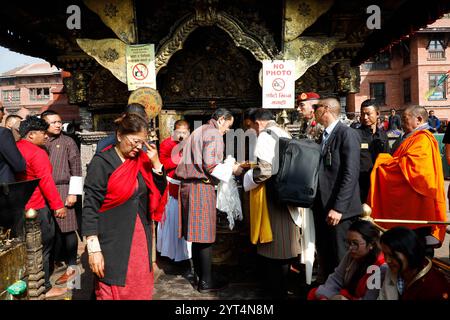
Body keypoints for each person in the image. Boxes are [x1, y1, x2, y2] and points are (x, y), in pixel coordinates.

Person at [82, 113, 167, 300]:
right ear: (119, 135)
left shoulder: (141, 161)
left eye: (142, 143)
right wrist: (93, 248)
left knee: (139, 285)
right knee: (112, 284)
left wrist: (156, 163)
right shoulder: (102, 163)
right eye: (135, 141)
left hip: (139, 236)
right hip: (111, 238)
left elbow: (157, 191)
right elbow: (90, 205)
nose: (138, 147)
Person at [175, 108, 243, 293]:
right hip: (200, 186)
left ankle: (200, 276)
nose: (227, 131)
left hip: (190, 186)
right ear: (221, 120)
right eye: (228, 126)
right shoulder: (213, 133)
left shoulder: (199, 131)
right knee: (204, 235)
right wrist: (233, 169)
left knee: (198, 235)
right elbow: (211, 166)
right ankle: (206, 282)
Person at [243, 109, 302, 298]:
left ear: (257, 123)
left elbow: (265, 171)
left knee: (275, 248)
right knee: (284, 245)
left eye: (250, 127)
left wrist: (245, 176)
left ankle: (276, 292)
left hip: (274, 199)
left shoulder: (265, 136)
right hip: (288, 195)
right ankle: (281, 288)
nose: (250, 132)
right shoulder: (283, 132)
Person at [368, 106, 447, 247]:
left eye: (405, 119)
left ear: (419, 119)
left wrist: (383, 161)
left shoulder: (423, 139)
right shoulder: (413, 137)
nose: (401, 124)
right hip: (412, 208)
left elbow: (415, 170)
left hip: (418, 208)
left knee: (417, 253)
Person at [16, 115, 67, 299]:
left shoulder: (15, 148)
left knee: (25, 249)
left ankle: (25, 285)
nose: (46, 136)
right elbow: (46, 182)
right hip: (37, 206)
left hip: (19, 208)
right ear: (30, 135)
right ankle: (44, 287)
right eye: (42, 133)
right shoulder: (37, 152)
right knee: (43, 247)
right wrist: (58, 205)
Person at [312, 97, 362, 282]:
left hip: (340, 211)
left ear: (325, 109)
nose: (314, 111)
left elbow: (350, 174)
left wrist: (339, 208)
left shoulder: (346, 134)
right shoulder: (323, 135)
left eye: (316, 107)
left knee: (342, 257)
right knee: (327, 254)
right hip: (323, 207)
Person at [41, 110, 83, 286]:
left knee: (67, 229)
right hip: (43, 190)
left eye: (59, 121)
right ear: (44, 125)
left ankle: (73, 267)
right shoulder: (40, 142)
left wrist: (73, 193)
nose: (58, 125)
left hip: (63, 189)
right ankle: (52, 265)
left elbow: (76, 168)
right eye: (53, 122)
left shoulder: (67, 141)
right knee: (50, 232)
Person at [308, 220, 386, 300]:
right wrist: (325, 297)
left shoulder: (380, 266)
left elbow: (370, 298)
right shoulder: (351, 255)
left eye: (355, 243)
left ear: (371, 244)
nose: (350, 248)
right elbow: (336, 279)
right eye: (348, 242)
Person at [378, 227, 450, 300]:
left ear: (410, 252)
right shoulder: (395, 270)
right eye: (384, 254)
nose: (387, 260)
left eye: (392, 255)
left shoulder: (434, 285)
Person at [156, 120, 192, 262]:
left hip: (188, 186)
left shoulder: (193, 143)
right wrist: (178, 159)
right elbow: (162, 164)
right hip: (172, 187)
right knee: (172, 220)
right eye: (179, 132)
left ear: (188, 132)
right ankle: (170, 254)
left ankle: (187, 254)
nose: (181, 135)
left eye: (184, 132)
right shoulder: (166, 144)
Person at [354, 99, 390, 203]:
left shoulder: (383, 136)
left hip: (378, 183)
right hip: (360, 185)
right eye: (362, 114)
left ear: (378, 114)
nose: (365, 118)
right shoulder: (355, 134)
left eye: (368, 114)